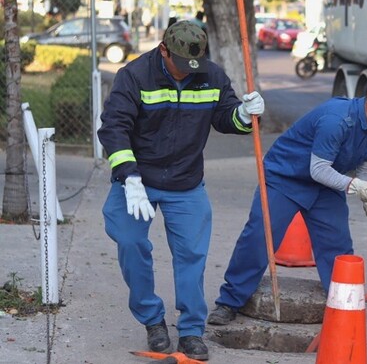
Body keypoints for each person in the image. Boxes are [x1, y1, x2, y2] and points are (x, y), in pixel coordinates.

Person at [98, 20, 265, 361]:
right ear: (163, 51)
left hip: (185, 181)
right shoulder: (134, 76)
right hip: (138, 179)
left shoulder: (211, 75)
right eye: (180, 64)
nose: (188, 72)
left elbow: (225, 118)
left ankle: (190, 330)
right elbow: (114, 127)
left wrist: (244, 115)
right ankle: (152, 320)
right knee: (130, 243)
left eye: (196, 64)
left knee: (191, 256)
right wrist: (129, 177)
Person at [207, 75, 367, 326]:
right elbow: (319, 169)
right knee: (260, 237)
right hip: (285, 177)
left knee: (338, 246)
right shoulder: (336, 120)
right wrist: (353, 185)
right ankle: (229, 301)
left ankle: (345, 304)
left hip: (326, 184)